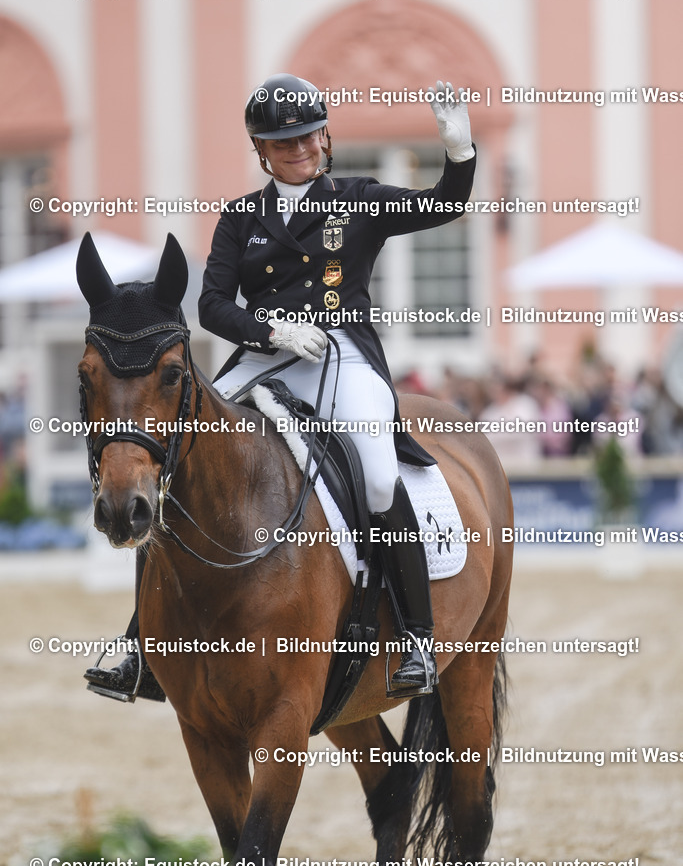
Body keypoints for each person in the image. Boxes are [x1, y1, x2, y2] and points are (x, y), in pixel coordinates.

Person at [86, 72, 475, 700]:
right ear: (261, 151)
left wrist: (459, 154)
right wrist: (270, 330)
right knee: (181, 463)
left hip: (342, 354)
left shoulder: (360, 198)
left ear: (324, 137)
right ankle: (140, 644)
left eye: (304, 137)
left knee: (378, 475)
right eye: (279, 141)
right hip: (267, 354)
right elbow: (210, 306)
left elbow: (445, 203)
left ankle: (415, 640)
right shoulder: (241, 217)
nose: (295, 149)